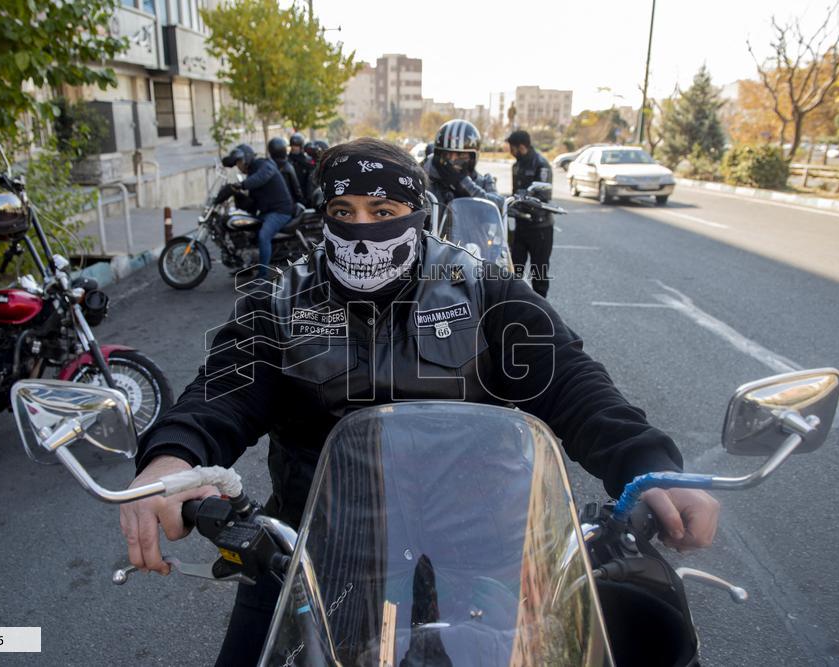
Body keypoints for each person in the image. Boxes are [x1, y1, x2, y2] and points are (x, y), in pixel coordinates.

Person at [121, 138, 720, 667]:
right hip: (323, 547)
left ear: (417, 212)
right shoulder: (281, 300)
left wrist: (647, 463)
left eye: (384, 212)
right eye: (343, 212)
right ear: (323, 215)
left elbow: (571, 380)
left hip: (477, 546)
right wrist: (174, 456)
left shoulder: (485, 287)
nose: (363, 227)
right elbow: (221, 389)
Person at [219, 143, 292, 277]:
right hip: (267, 212)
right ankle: (245, 267)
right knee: (245, 232)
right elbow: (254, 204)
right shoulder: (251, 175)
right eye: (236, 163)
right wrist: (238, 198)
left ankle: (262, 276)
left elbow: (262, 177)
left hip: (281, 211)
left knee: (264, 236)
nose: (238, 166)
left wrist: (241, 185)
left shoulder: (263, 164)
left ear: (247, 158)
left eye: (239, 161)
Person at [506, 129, 555, 297]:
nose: (511, 151)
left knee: (539, 271)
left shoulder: (541, 164)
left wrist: (522, 202)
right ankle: (513, 305)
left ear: (521, 147)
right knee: (514, 269)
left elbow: (543, 196)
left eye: (512, 148)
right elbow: (514, 194)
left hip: (540, 227)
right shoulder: (516, 166)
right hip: (521, 225)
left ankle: (542, 311)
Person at [423, 118, 503, 209]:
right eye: (447, 154)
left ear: (473, 157)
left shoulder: (485, 182)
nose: (452, 159)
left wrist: (463, 184)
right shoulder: (427, 180)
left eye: (460, 155)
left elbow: (499, 205)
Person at [267, 137, 303, 206]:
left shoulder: (266, 167)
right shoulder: (288, 167)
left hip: (271, 206)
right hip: (288, 205)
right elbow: (297, 189)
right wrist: (301, 201)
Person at [287, 132, 313, 202]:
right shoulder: (287, 160)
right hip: (291, 196)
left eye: (296, 146)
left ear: (301, 146)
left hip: (305, 196)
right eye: (293, 145)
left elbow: (310, 181)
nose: (294, 148)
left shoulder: (307, 161)